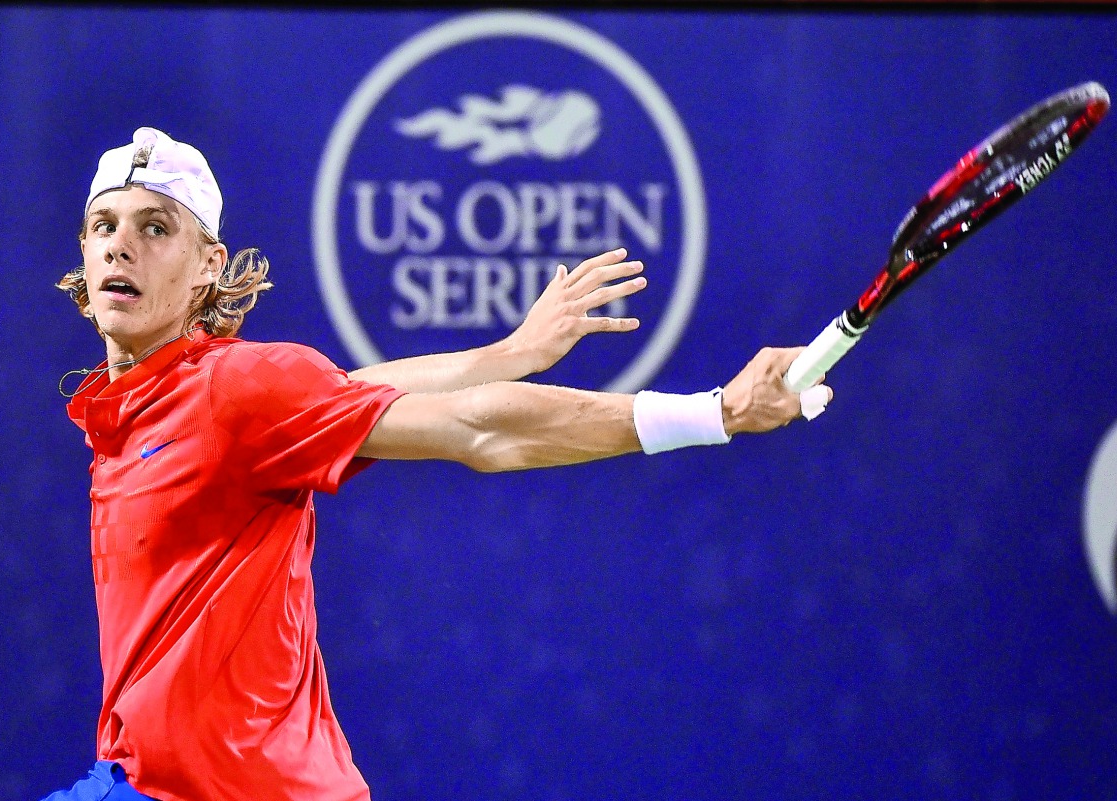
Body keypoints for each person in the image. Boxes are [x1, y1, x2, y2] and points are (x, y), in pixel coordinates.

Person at [47, 127, 831, 801]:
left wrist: (713, 412)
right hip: (139, 780)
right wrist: (506, 353)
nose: (121, 242)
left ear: (208, 264)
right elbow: (349, 389)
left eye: (155, 228)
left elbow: (476, 431)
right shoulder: (135, 412)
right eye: (104, 225)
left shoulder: (234, 388)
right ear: (83, 253)